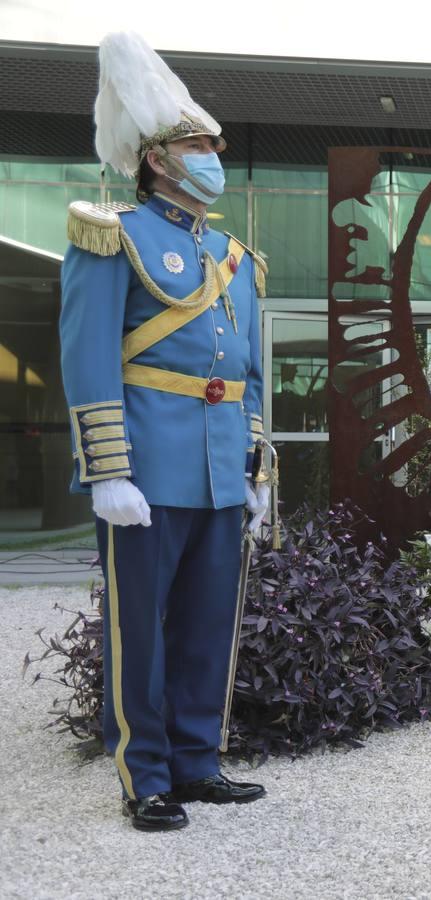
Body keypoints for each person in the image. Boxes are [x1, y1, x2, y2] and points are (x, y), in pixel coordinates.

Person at [59, 33, 268, 831]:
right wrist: (108, 470)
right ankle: (143, 774)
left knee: (210, 624)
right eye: (197, 143)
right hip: (146, 466)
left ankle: (196, 760)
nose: (214, 154)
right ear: (156, 158)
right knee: (138, 630)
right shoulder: (111, 234)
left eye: (214, 143)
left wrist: (255, 472)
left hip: (218, 469)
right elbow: (87, 357)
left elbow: (244, 373)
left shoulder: (234, 257)